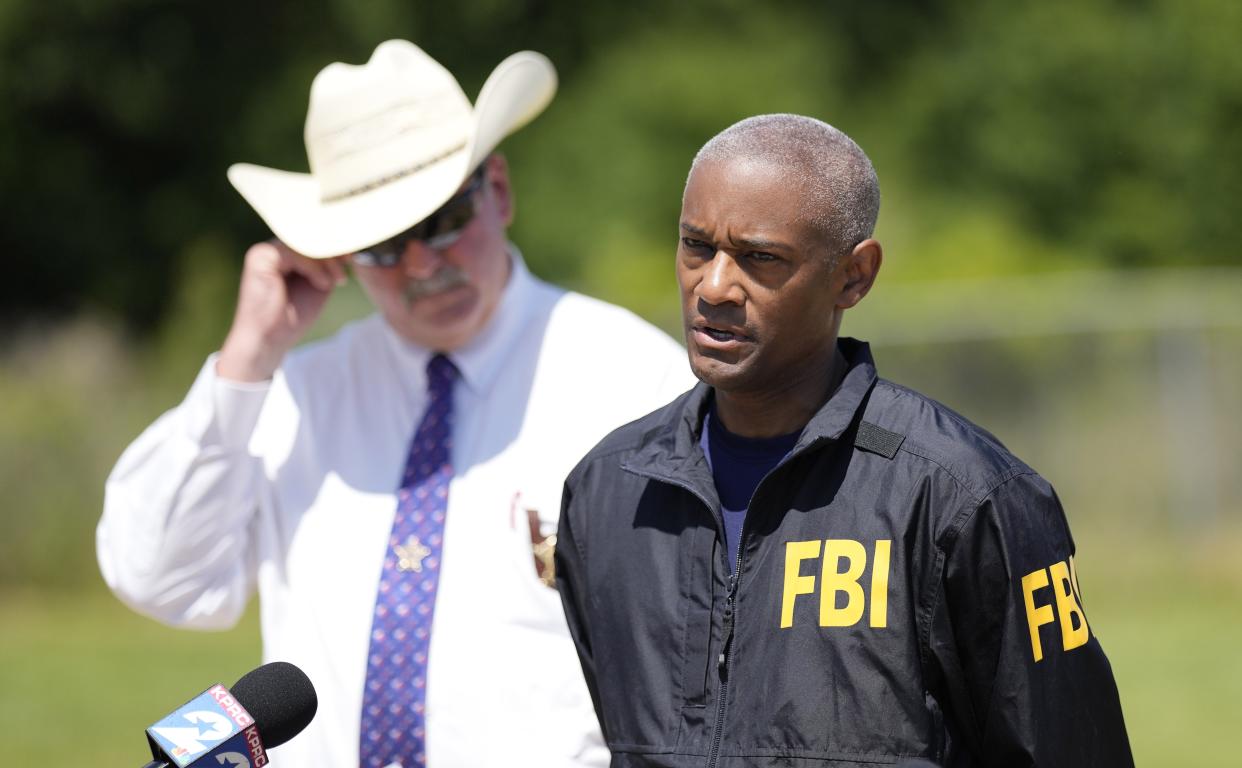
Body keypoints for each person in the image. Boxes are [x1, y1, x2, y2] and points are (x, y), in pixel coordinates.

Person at [97, 40, 692, 768]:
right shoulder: (292, 393)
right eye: (382, 242)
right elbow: (158, 576)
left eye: (443, 219)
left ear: (497, 190)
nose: (421, 263)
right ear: (337, 255)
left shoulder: (635, 383)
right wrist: (245, 360)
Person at [555, 114, 1133, 767]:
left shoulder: (965, 496)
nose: (713, 286)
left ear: (853, 276)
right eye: (696, 246)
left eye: (760, 257)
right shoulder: (607, 491)